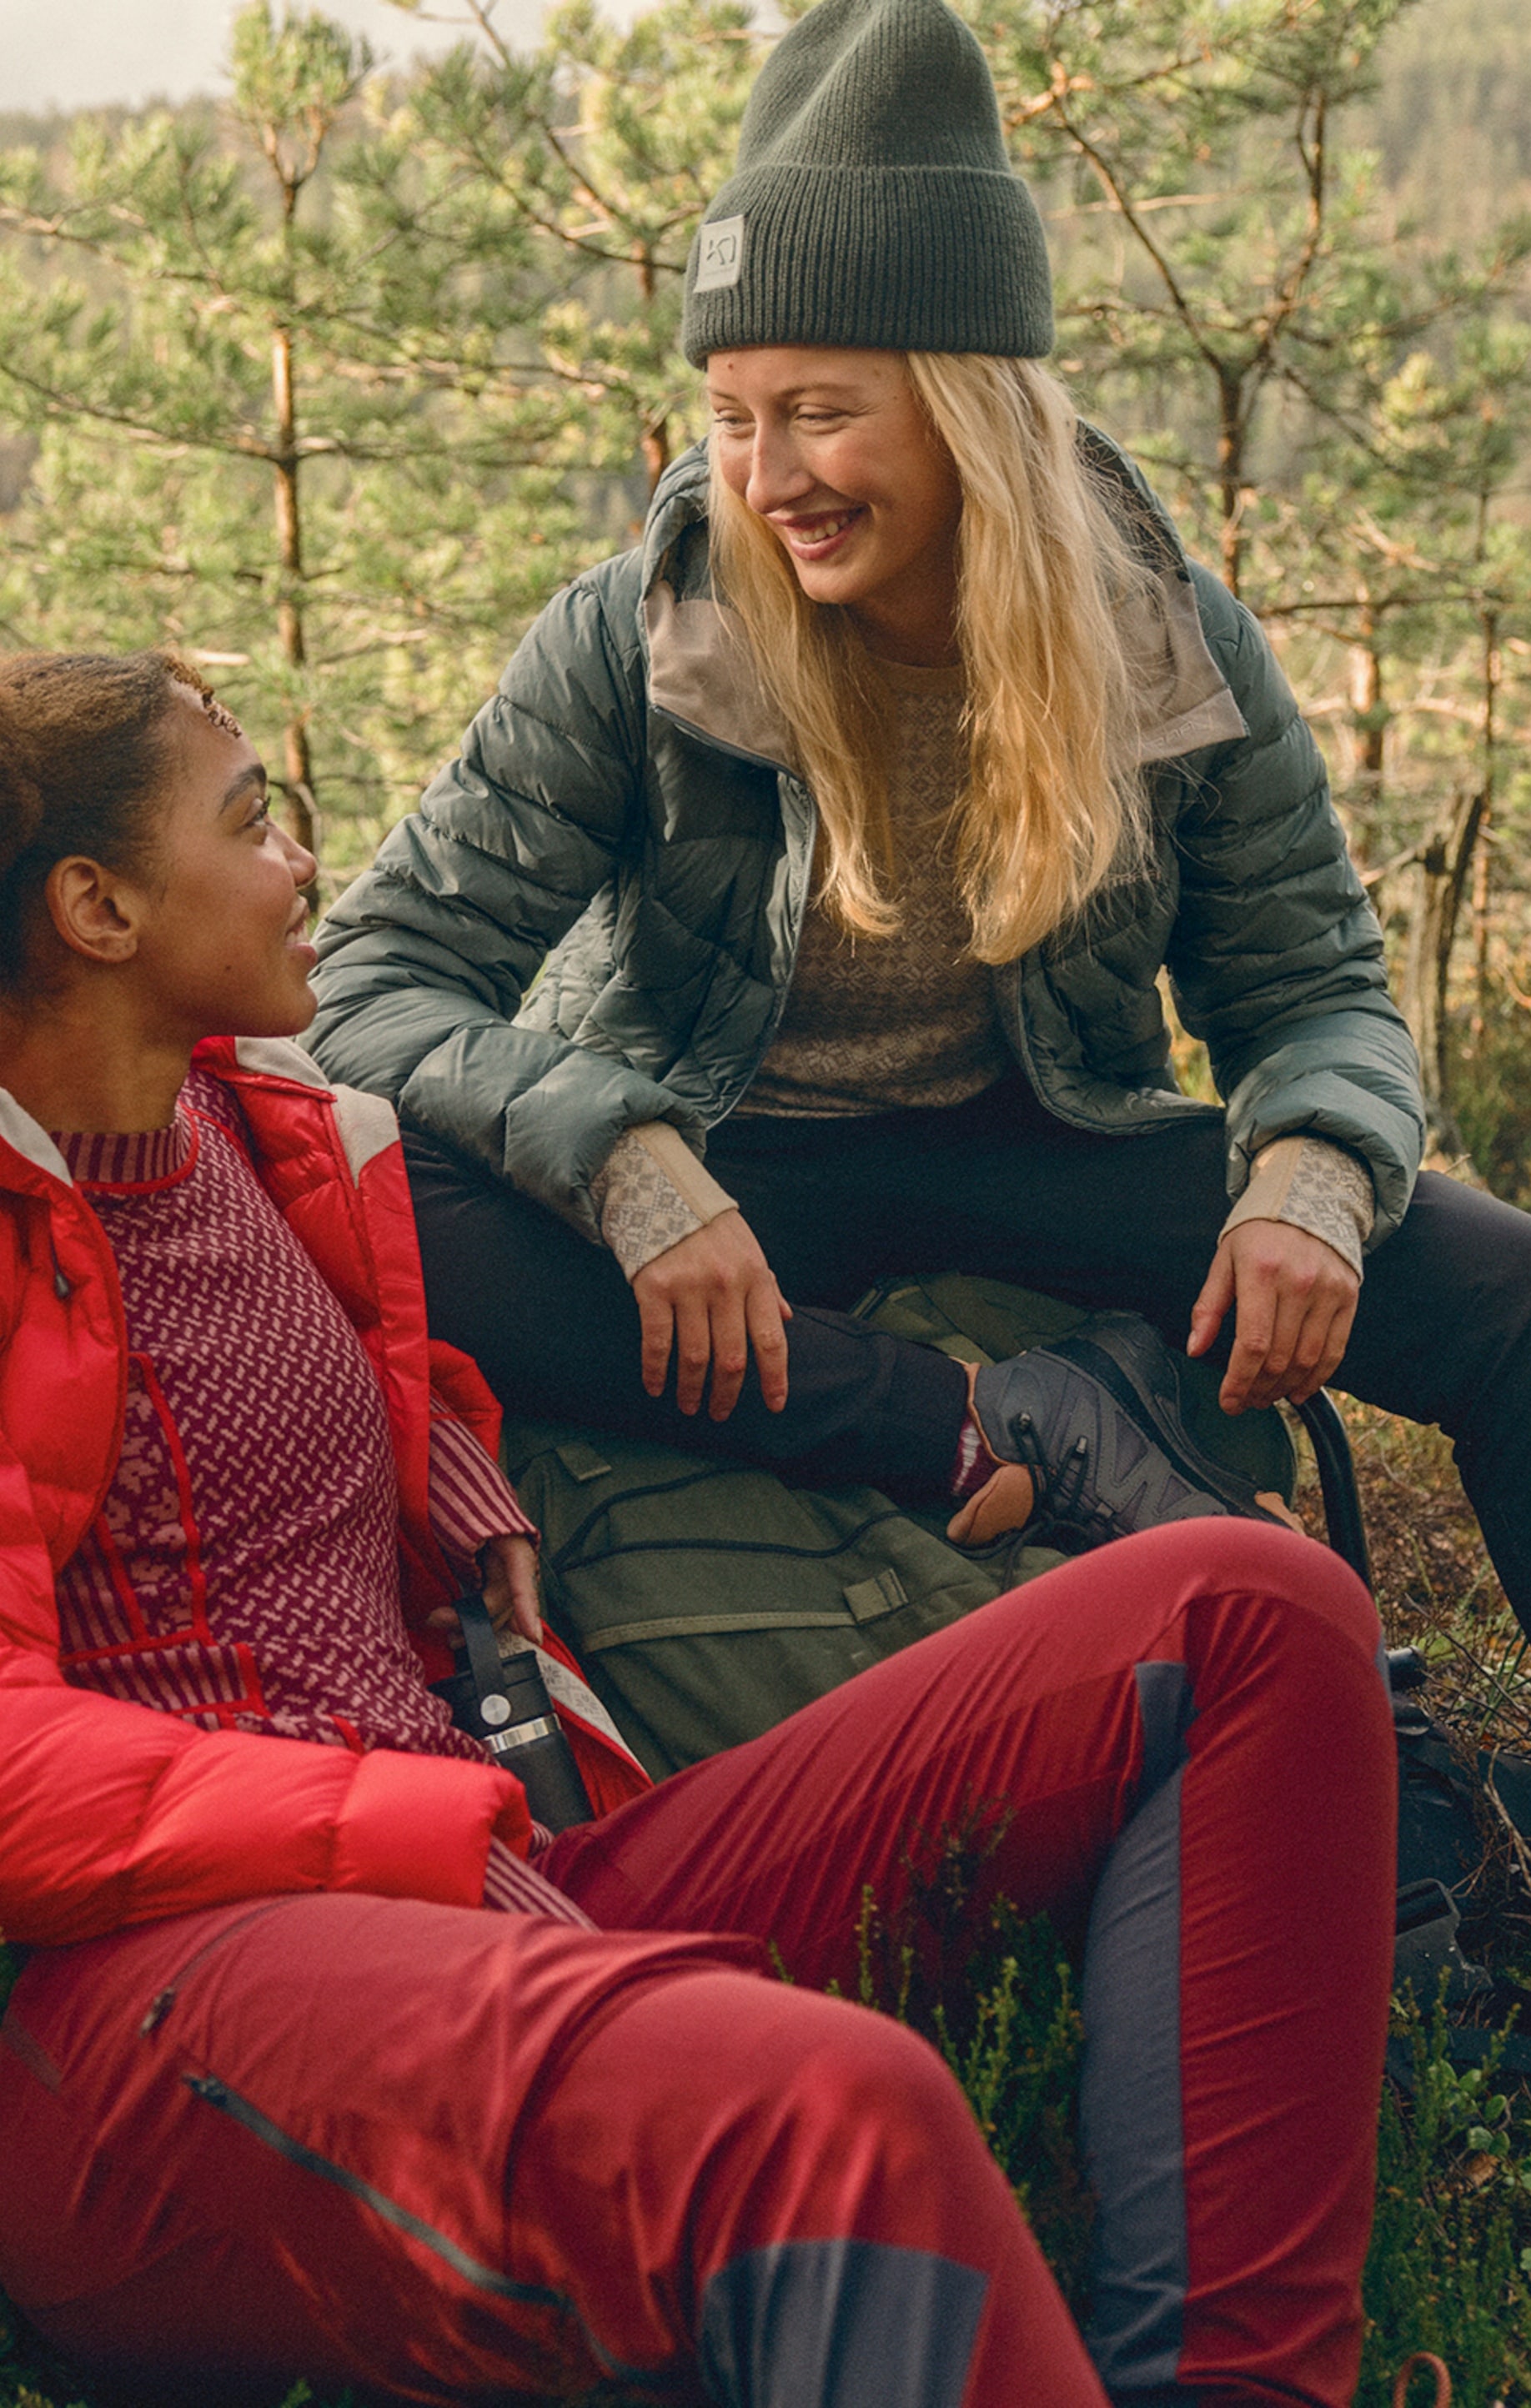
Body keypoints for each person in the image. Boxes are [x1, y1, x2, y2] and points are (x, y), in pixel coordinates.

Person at [0, 645, 1398, 2408]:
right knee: (827, 2110)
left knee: (1248, 1607)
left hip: (485, 1870)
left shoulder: (248, 1124)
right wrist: (405, 1822)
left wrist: (456, 1471)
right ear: (96, 905)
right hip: (151, 2013)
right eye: (253, 822)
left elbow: (291, 1393)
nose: (305, 865)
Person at [308, 0, 1531, 1804]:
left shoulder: (1165, 640)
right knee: (397, 1243)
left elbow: (1314, 985)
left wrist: (1315, 1180)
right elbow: (376, 978)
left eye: (820, 412)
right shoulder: (641, 636)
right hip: (732, 1159)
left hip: (1040, 1143)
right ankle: (965, 1419)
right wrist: (625, 1163)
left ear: (968, 405)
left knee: (1518, 1290)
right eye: (730, 416)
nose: (766, 475)